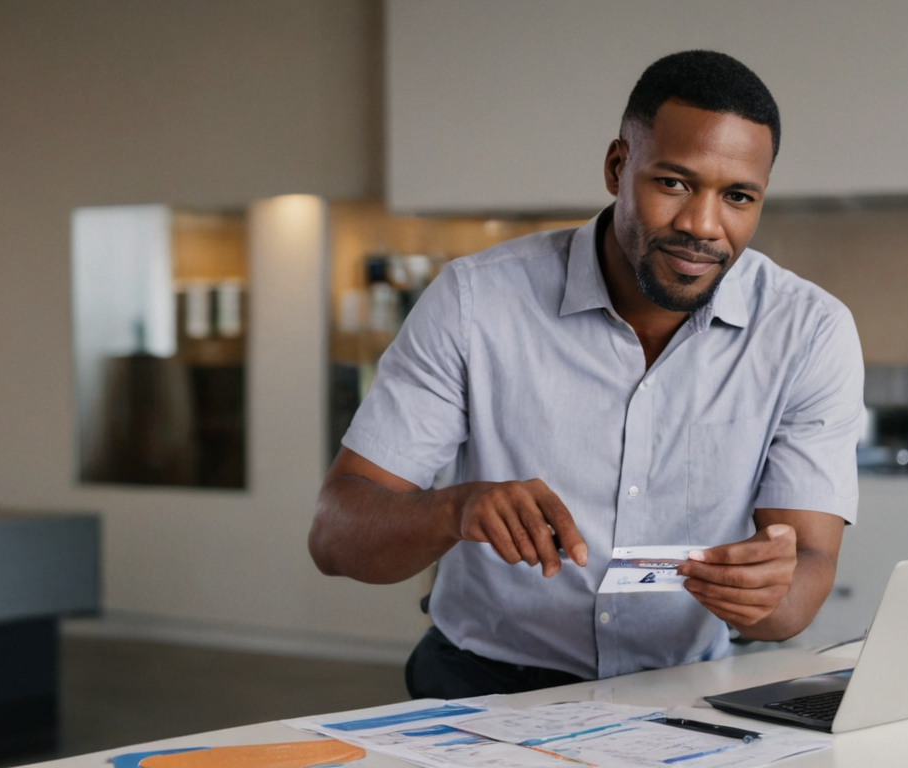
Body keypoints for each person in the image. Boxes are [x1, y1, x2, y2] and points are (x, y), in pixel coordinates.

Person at [308, 50, 865, 700]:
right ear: (617, 166)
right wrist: (454, 509)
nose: (702, 226)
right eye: (675, 183)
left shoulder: (808, 331)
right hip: (480, 690)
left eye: (737, 196)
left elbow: (805, 581)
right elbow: (335, 535)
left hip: (685, 690)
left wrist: (768, 593)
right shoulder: (475, 302)